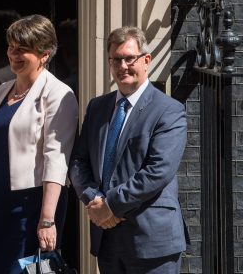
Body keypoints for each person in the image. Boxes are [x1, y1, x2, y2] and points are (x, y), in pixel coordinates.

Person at [69, 26, 188, 273]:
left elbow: (158, 171)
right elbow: (79, 162)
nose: (122, 66)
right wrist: (94, 199)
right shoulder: (97, 107)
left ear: (146, 60)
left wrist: (110, 205)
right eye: (116, 60)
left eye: (129, 58)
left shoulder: (168, 110)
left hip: (152, 241)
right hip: (108, 239)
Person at [0, 14, 78, 274]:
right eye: (11, 46)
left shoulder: (58, 94)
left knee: (29, 270)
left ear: (44, 54)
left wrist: (47, 220)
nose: (14, 54)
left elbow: (56, 157)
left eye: (23, 49)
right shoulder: (2, 90)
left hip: (31, 206)